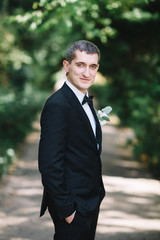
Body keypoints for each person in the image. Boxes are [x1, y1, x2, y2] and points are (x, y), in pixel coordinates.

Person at [38, 40, 105, 240]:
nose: (87, 73)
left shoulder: (84, 100)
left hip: (90, 202)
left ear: (97, 69)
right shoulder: (58, 105)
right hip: (72, 207)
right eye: (80, 65)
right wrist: (68, 211)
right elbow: (49, 164)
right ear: (67, 66)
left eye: (92, 66)